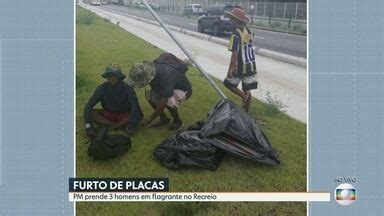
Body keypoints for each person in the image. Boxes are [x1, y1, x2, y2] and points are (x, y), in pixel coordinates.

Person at [129, 53, 192, 131]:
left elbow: (163, 101)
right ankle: (164, 119)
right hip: (168, 87)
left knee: (169, 101)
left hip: (183, 89)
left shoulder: (166, 76)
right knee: (149, 95)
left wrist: (149, 120)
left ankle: (177, 121)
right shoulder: (152, 71)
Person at [84, 63, 143, 137]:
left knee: (137, 113)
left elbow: (135, 106)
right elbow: (89, 105)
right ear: (106, 77)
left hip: (124, 114)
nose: (111, 78)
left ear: (119, 76)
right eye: (109, 75)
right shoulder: (102, 88)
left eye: (114, 75)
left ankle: (113, 127)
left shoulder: (128, 88)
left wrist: (133, 122)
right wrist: (88, 126)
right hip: (109, 115)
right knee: (92, 113)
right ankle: (121, 126)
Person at [223, 7, 258, 113]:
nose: (230, 21)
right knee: (247, 89)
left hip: (240, 67)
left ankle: (243, 96)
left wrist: (230, 69)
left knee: (228, 84)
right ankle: (246, 113)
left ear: (236, 21)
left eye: (231, 19)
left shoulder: (235, 34)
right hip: (250, 65)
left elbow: (235, 53)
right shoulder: (249, 31)